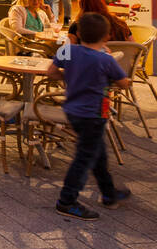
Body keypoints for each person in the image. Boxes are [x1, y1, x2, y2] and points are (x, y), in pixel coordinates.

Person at [47, 11, 132, 220]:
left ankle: (109, 193)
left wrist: (67, 78)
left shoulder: (68, 50)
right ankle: (66, 201)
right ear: (106, 36)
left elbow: (51, 72)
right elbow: (123, 83)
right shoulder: (105, 59)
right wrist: (124, 80)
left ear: (78, 33)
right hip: (94, 113)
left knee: (98, 153)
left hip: (73, 110)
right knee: (84, 159)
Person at [69, 0, 134, 43]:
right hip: (121, 60)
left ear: (82, 9)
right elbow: (134, 47)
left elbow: (68, 51)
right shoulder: (120, 23)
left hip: (91, 61)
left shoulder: (77, 26)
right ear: (101, 5)